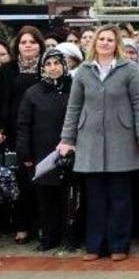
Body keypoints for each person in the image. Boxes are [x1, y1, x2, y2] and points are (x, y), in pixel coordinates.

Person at [57, 25, 139, 262]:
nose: (105, 43)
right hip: (89, 141)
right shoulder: (83, 72)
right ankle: (95, 245)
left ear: (117, 44)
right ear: (94, 43)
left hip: (122, 140)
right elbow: (74, 107)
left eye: (110, 39)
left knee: (120, 197)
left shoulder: (130, 70)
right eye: (101, 39)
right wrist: (67, 139)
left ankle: (119, 245)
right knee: (95, 198)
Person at [16, 49, 81, 251]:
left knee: (70, 199)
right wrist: (24, 153)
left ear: (64, 65)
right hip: (42, 153)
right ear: (43, 67)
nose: (53, 68)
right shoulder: (33, 93)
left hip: (71, 153)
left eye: (57, 63)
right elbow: (23, 124)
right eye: (49, 64)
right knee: (45, 199)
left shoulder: (75, 89)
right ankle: (49, 237)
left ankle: (71, 238)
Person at [0, 25, 45, 245]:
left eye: (33, 42)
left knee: (42, 180)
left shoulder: (48, 67)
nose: (28, 46)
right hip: (15, 132)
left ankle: (43, 225)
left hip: (44, 132)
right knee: (19, 182)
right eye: (24, 42)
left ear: (40, 45)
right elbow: (2, 101)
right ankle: (22, 226)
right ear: (17, 45)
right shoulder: (8, 70)